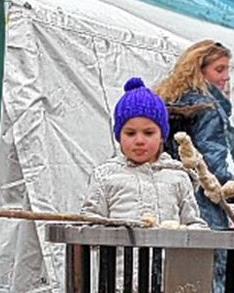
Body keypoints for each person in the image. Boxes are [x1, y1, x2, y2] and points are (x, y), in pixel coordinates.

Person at [81, 76, 207, 228]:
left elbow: (193, 223)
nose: (139, 140)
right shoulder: (105, 176)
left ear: (162, 136)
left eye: (148, 133)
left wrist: (183, 231)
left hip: (167, 252)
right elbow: (89, 225)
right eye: (130, 133)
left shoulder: (178, 176)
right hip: (119, 252)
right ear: (119, 136)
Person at [155, 40, 234, 229]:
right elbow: (215, 171)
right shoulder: (208, 109)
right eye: (219, 70)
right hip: (205, 210)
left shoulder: (167, 103)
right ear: (198, 70)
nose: (226, 77)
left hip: (168, 206)